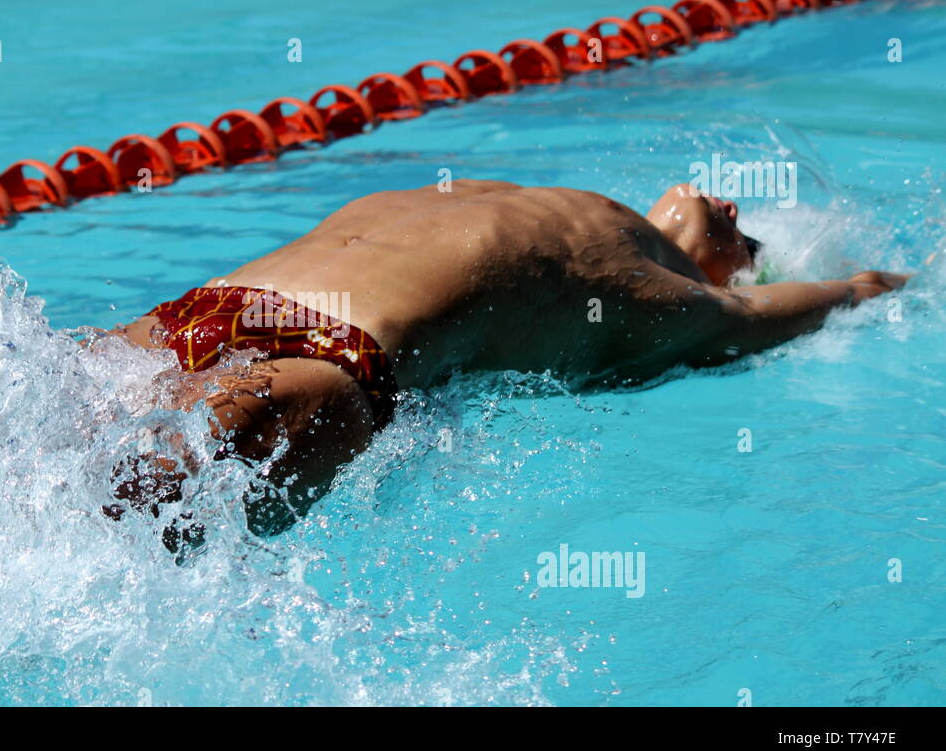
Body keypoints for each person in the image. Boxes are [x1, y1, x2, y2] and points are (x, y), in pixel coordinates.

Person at [107, 179, 909, 541]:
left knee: (91, 531)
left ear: (722, 275)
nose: (734, 208)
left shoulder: (670, 305)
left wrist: (889, 283)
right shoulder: (543, 201)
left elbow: (793, 305)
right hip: (191, 314)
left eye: (749, 242)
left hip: (327, 358)